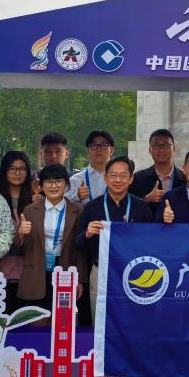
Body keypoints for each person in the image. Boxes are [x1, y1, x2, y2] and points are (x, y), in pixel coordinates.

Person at [75, 156, 153, 326]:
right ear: (105, 178)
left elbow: (151, 243)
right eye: (113, 175)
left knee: (132, 320)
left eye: (123, 175)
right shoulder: (92, 207)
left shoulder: (141, 207)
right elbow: (78, 242)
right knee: (100, 321)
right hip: (101, 270)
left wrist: (132, 234)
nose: (118, 180)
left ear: (131, 179)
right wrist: (87, 233)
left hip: (134, 273)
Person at [17, 164, 89, 315]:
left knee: (62, 320)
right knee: (36, 320)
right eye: (48, 181)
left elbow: (81, 249)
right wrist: (21, 235)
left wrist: (80, 279)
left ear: (66, 184)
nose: (54, 186)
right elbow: (19, 247)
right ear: (41, 186)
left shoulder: (77, 211)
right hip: (36, 271)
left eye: (58, 181)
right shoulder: (30, 210)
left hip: (65, 270)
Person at [0, 151, 35, 314]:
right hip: (0, 274)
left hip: (28, 276)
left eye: (22, 169)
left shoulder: (36, 200)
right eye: (12, 168)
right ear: (4, 171)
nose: (18, 173)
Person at [130, 128, 186, 215]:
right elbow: (129, 208)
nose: (161, 150)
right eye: (156, 145)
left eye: (166, 145)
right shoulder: (138, 178)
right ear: (150, 150)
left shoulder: (185, 179)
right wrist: (147, 199)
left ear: (174, 148)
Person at [69, 130, 114, 205]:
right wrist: (76, 197)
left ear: (111, 150)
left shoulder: (120, 180)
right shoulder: (75, 180)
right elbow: (62, 205)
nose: (98, 149)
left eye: (104, 145)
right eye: (94, 145)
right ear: (87, 151)